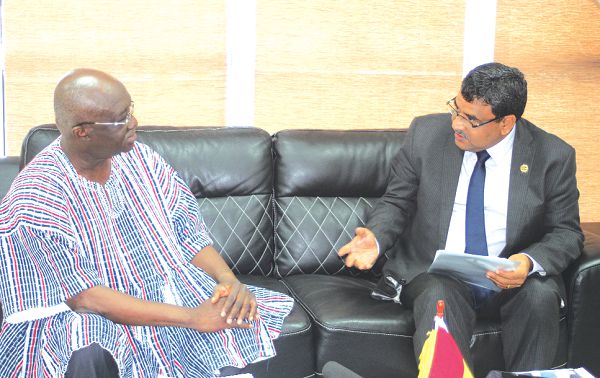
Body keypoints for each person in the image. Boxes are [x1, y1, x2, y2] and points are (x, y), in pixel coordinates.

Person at [0, 68, 293, 377]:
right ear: (82, 131)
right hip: (87, 313)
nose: (133, 123)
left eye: (131, 110)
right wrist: (192, 318)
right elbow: (85, 296)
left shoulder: (141, 158)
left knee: (242, 319)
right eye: (120, 118)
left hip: (169, 290)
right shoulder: (37, 196)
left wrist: (229, 281)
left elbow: (188, 235)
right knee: (86, 340)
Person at [338, 62, 583, 373]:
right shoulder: (426, 135)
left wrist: (527, 262)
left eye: (471, 119)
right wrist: (375, 237)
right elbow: (396, 201)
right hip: (437, 273)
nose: (456, 123)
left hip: (508, 276)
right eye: (456, 109)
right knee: (441, 292)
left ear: (506, 123)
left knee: (539, 295)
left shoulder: (552, 156)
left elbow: (566, 232)